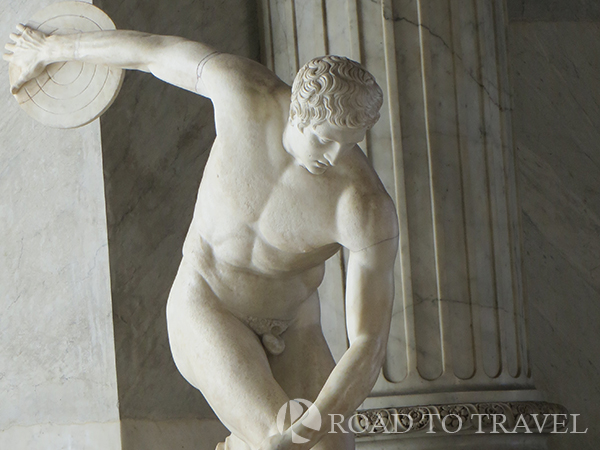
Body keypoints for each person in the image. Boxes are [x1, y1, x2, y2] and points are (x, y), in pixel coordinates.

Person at [4, 24, 399, 450]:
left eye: (350, 143)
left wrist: (313, 429)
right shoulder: (242, 94)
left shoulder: (363, 206)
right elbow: (152, 53)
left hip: (296, 325)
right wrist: (50, 47)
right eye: (325, 141)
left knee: (329, 447)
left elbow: (368, 342)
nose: (336, 157)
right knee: (274, 439)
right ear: (297, 113)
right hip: (208, 306)